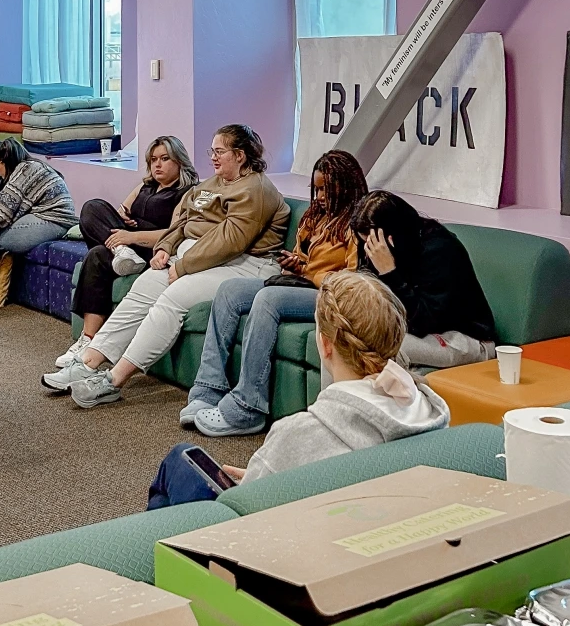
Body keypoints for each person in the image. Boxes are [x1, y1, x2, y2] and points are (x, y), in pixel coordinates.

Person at [146, 271, 450, 506]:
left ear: (326, 345)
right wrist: (265, 472)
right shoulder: (428, 409)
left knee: (180, 460)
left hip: (276, 558)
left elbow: (246, 510)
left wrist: (262, 472)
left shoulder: (299, 433)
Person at [43, 123, 288, 408]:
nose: (213, 157)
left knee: (172, 297)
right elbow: (183, 219)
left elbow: (230, 241)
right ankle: (90, 360)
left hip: (248, 264)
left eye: (219, 151)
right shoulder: (214, 184)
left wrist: (183, 266)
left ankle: (113, 381)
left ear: (240, 155)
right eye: (213, 150)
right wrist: (164, 248)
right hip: (204, 257)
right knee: (145, 284)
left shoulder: (255, 189)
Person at [183, 149, 369, 436]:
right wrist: (297, 263)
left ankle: (248, 407)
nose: (319, 197)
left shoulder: (357, 222)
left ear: (344, 186)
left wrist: (308, 272)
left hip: (332, 297)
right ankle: (209, 388)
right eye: (316, 189)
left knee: (268, 299)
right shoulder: (315, 216)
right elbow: (304, 256)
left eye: (325, 190)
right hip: (300, 284)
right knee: (230, 290)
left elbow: (353, 282)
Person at [52, 135, 199, 371]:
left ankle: (124, 252)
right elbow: (122, 211)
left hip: (153, 249)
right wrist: (124, 222)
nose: (157, 165)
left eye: (164, 159)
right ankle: (88, 340)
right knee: (95, 234)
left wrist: (131, 237)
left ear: (180, 162)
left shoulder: (186, 193)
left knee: (102, 241)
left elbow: (174, 234)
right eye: (153, 160)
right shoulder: (146, 185)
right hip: (127, 245)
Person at [350, 190, 496, 370]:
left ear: (391, 237)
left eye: (372, 244)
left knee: (383, 346)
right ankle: (332, 399)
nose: (369, 251)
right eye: (365, 244)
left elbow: (422, 323)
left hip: (467, 339)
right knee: (337, 334)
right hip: (409, 330)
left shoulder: (440, 250)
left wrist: (389, 272)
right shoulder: (377, 247)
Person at [0, 136, 76, 311]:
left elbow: (4, 211)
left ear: (6, 161)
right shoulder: (29, 167)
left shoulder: (25, 170)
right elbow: (1, 209)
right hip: (41, 218)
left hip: (54, 222)